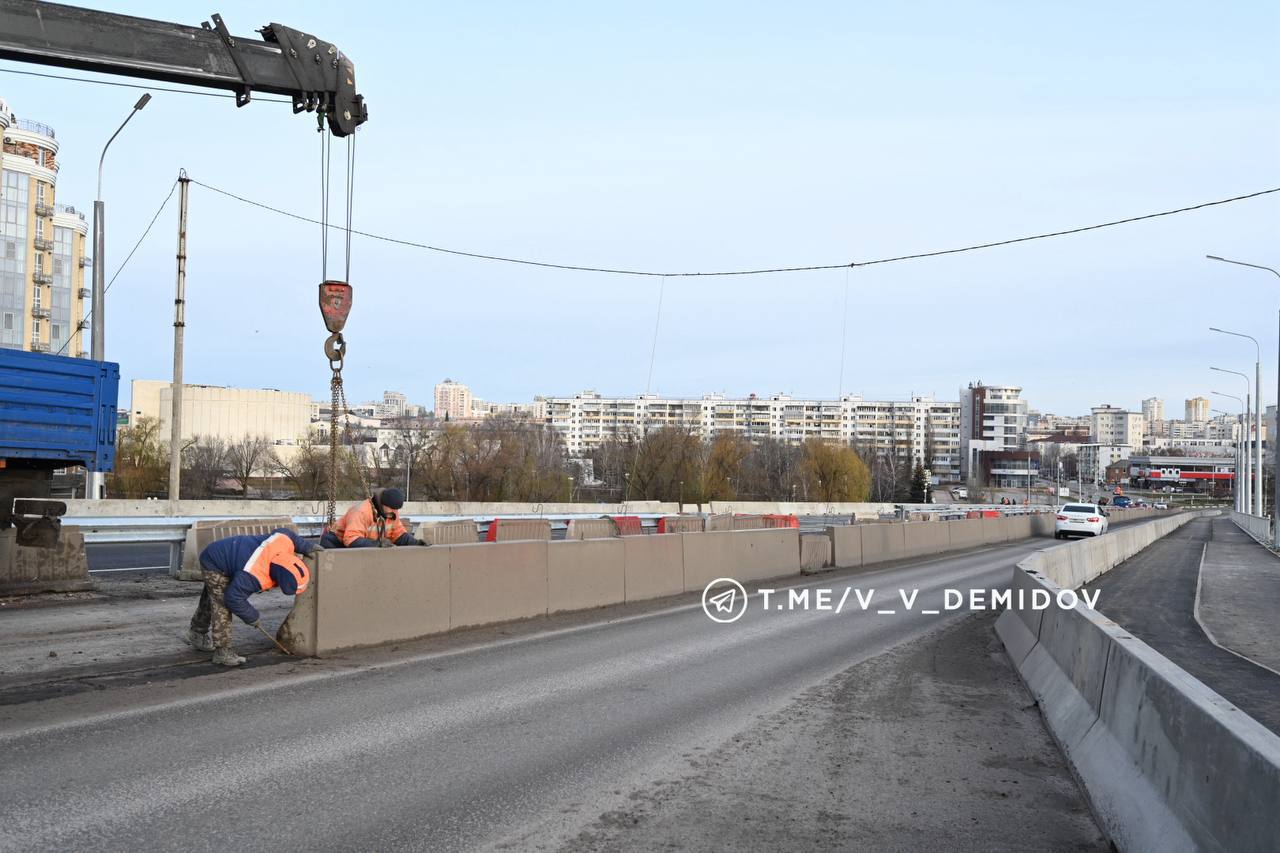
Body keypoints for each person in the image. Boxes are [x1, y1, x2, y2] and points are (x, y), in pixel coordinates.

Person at [185, 528, 312, 667]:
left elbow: (286, 532)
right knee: (221, 605)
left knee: (212, 596)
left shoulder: (283, 544)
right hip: (215, 563)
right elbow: (233, 598)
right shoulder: (254, 574)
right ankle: (222, 652)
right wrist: (252, 616)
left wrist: (306, 546)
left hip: (228, 553)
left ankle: (196, 633)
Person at [320, 487, 422, 548]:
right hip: (335, 543)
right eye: (392, 508)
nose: (395, 512)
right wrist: (376, 544)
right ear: (383, 504)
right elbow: (350, 539)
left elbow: (398, 534)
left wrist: (416, 543)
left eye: (396, 509)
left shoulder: (391, 513)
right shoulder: (362, 511)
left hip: (360, 544)